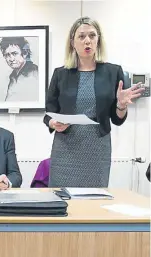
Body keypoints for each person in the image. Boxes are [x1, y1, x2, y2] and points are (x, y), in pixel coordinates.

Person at [43, 16, 144, 187]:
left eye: (92, 36)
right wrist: (53, 122)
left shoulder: (113, 72)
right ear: (72, 42)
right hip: (65, 147)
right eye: (81, 37)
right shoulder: (60, 74)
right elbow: (49, 112)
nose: (87, 41)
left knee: (95, 200)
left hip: (97, 147)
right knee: (63, 200)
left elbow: (117, 119)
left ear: (99, 40)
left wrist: (121, 105)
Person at [0, 37, 39, 102]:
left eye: (14, 54)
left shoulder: (35, 73)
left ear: (25, 53)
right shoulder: (13, 76)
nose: (11, 59)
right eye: (7, 55)